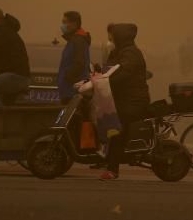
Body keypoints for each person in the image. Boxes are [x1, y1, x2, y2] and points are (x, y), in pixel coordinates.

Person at [99, 23, 151, 180]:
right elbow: (110, 68)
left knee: (116, 130)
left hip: (133, 102)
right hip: (124, 99)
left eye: (112, 35)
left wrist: (108, 81)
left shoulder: (131, 54)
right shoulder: (120, 51)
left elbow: (123, 73)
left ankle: (113, 169)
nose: (110, 38)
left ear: (120, 36)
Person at [0, 7, 31, 105]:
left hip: (16, 76)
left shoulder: (3, 33)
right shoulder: (4, 32)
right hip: (17, 75)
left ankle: (0, 115)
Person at [57, 11, 91, 105]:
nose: (62, 25)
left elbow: (79, 63)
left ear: (74, 24)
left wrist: (67, 78)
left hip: (72, 91)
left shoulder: (78, 41)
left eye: (65, 22)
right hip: (69, 90)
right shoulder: (74, 40)